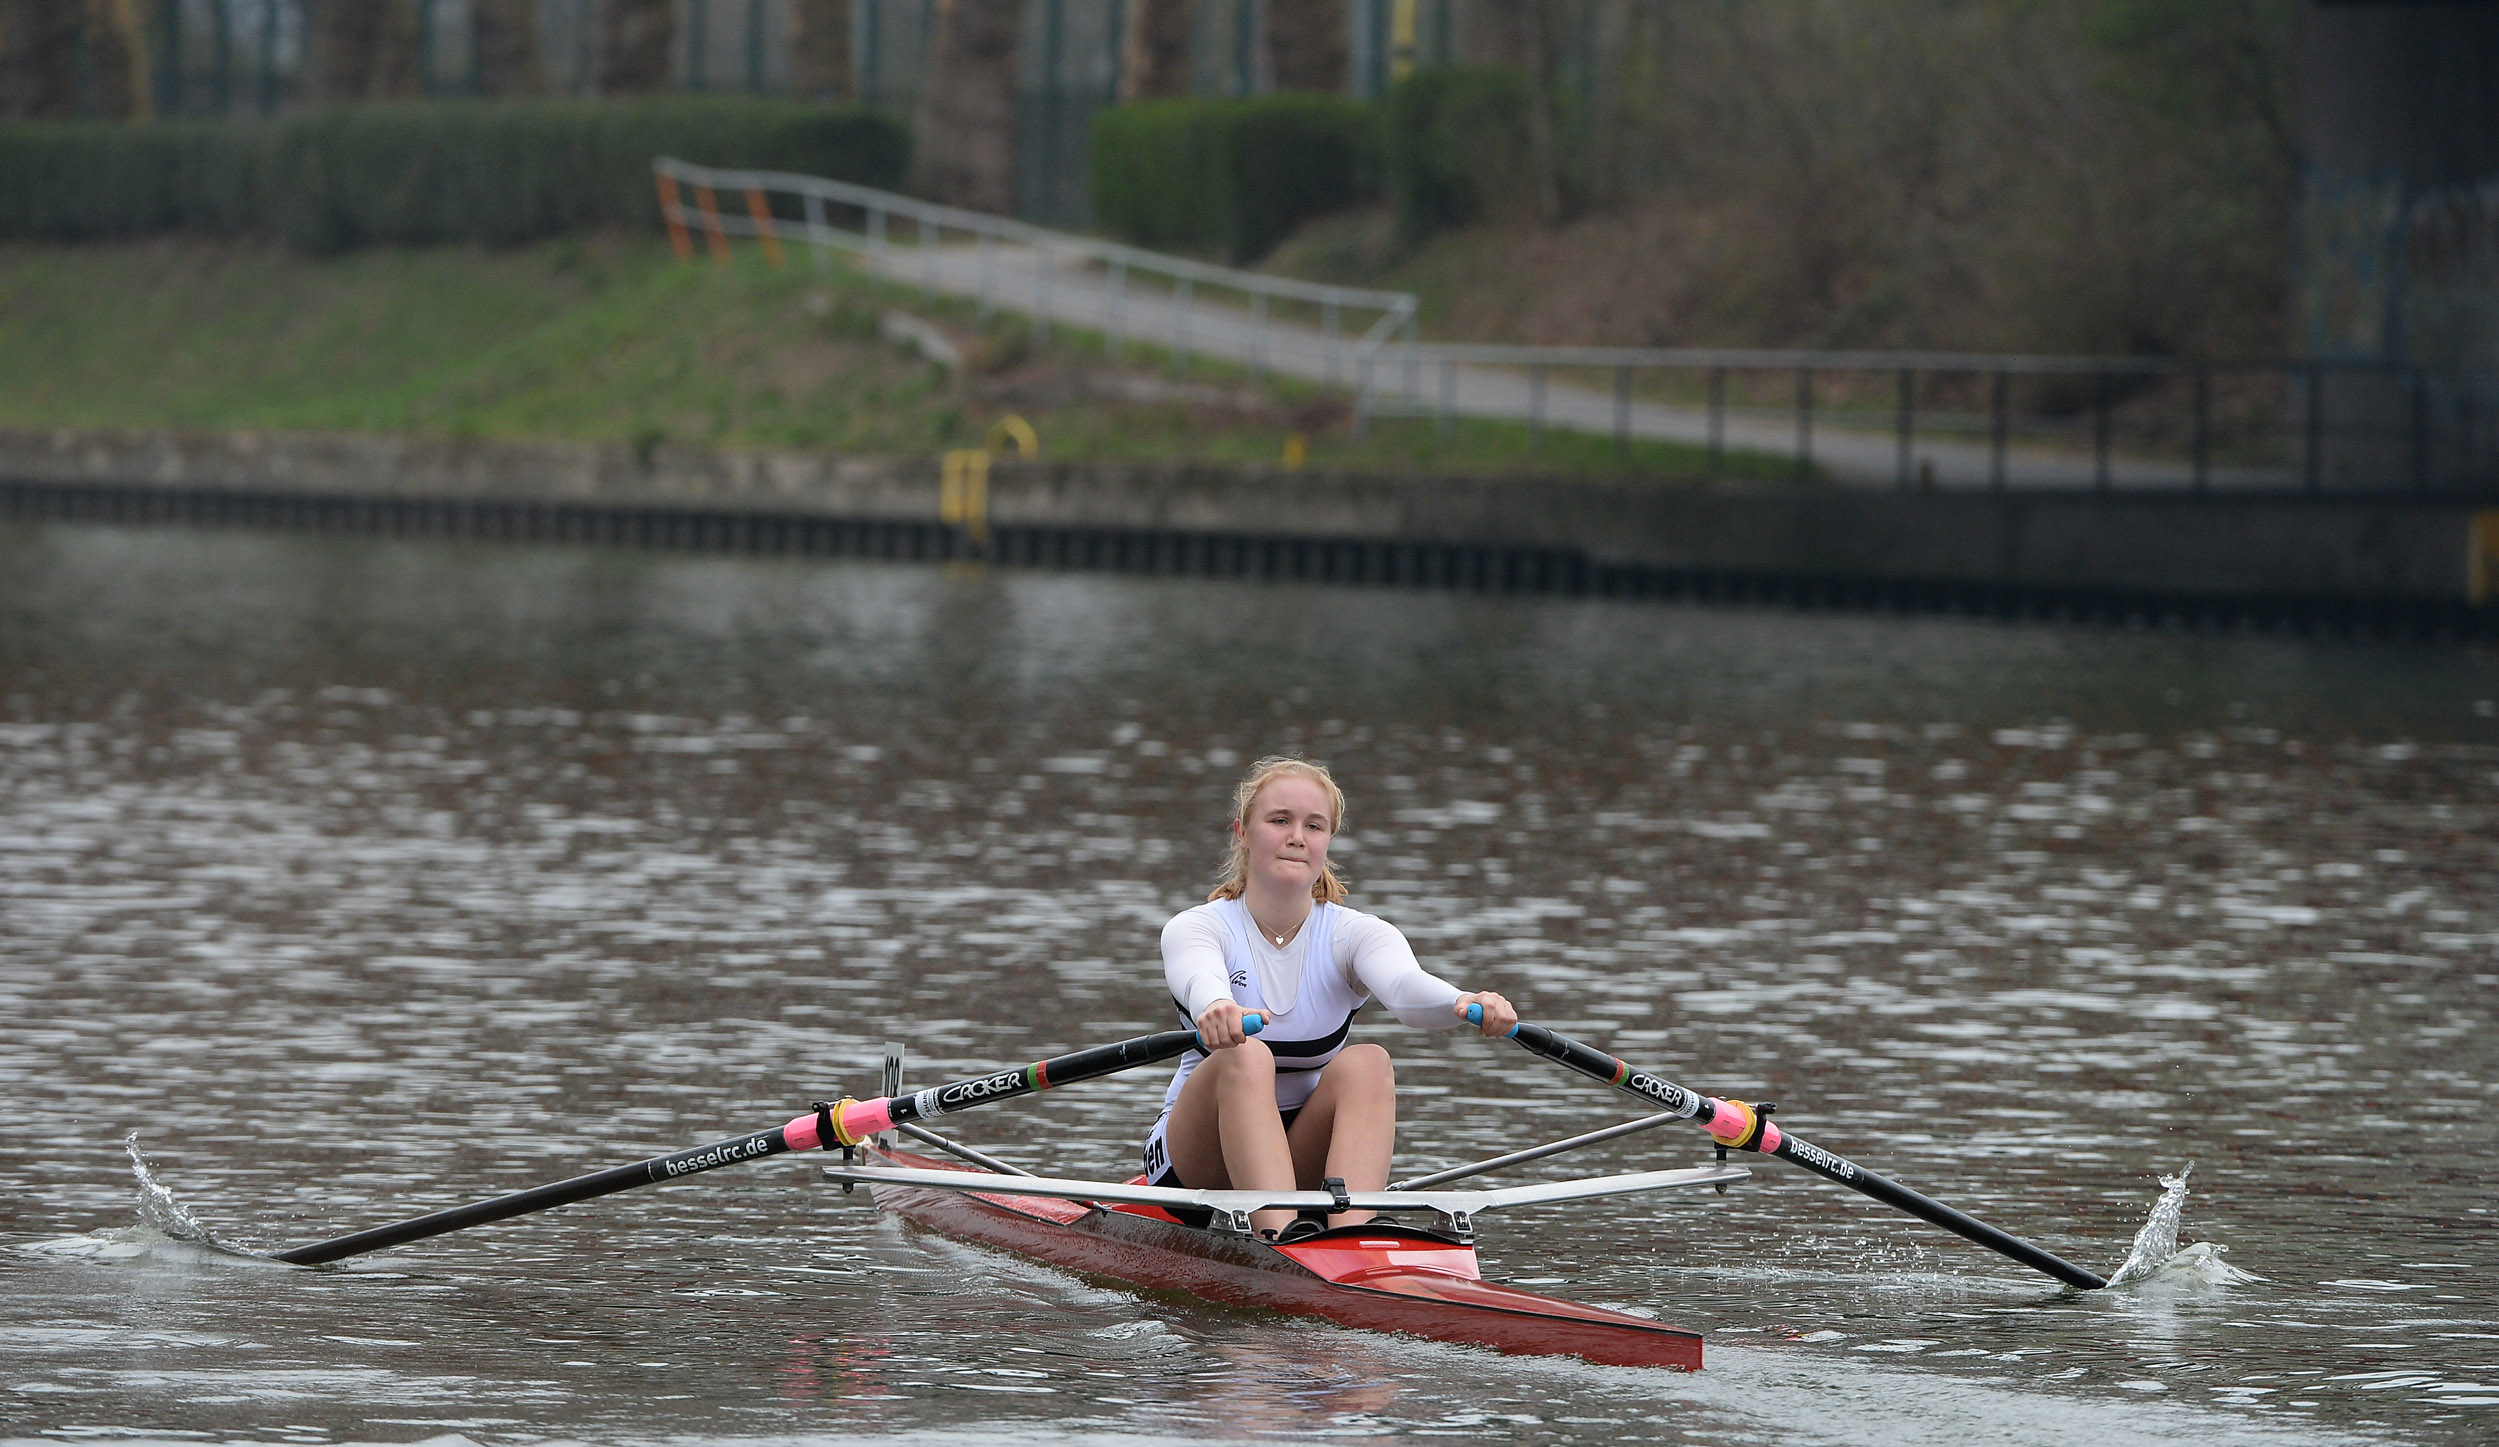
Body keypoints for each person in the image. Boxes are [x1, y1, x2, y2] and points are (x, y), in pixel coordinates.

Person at [1141, 756, 1517, 1240]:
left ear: (1327, 841)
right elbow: (1199, 978)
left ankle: (1348, 1238)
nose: (1297, 836)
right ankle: (1280, 1241)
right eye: (1280, 821)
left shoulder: (1354, 934)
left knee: (1369, 1062)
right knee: (1246, 1054)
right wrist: (1216, 1007)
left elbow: (1405, 988)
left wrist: (1463, 1001)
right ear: (1242, 832)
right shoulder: (1197, 927)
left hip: (1298, 1154)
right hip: (1197, 1161)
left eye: (1313, 826)